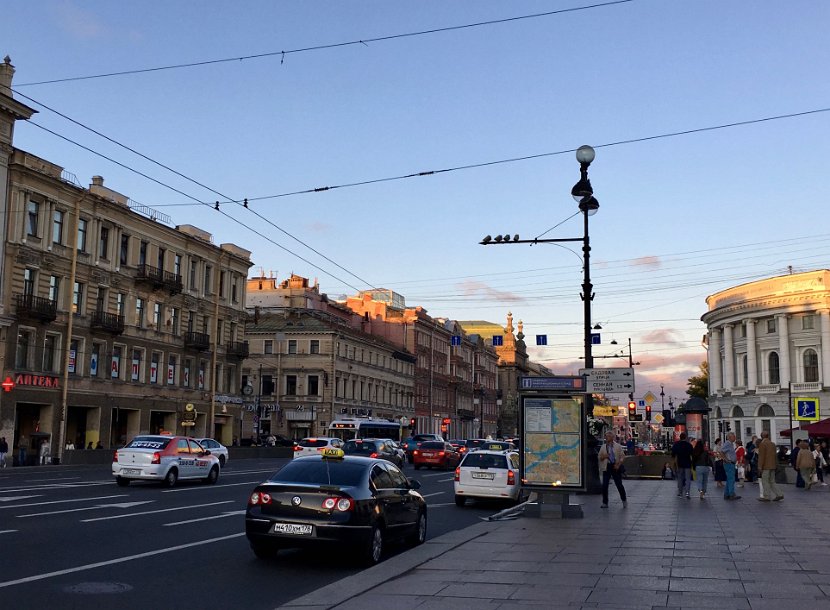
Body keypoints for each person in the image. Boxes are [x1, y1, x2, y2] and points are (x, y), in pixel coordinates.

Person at [598, 431, 627, 508]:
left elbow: (622, 456)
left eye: (608, 436)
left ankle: (624, 500)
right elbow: (599, 457)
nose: (606, 438)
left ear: (612, 437)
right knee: (604, 485)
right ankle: (605, 502)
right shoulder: (603, 447)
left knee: (619, 485)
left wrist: (618, 464)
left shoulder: (617, 446)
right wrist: (604, 456)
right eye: (606, 436)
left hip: (615, 466)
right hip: (606, 467)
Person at [757, 431, 783, 502]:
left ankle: (766, 496)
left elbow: (761, 456)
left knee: (765, 481)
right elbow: (775, 456)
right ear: (768, 436)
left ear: (762, 436)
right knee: (772, 481)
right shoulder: (772, 444)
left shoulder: (762, 444)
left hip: (765, 466)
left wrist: (759, 466)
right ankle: (779, 494)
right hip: (773, 465)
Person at [671, 432, 694, 499]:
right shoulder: (688, 445)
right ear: (685, 437)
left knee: (680, 478)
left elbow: (673, 454)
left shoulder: (677, 444)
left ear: (680, 437)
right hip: (688, 464)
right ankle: (687, 493)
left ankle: (680, 492)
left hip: (679, 463)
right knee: (688, 479)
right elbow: (692, 454)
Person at [721, 432, 741, 500]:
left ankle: (727, 494)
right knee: (731, 479)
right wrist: (726, 459)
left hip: (730, 463)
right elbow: (722, 451)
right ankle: (731, 494)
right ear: (729, 437)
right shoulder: (727, 444)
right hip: (729, 464)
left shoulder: (730, 444)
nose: (735, 438)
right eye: (733, 436)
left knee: (729, 479)